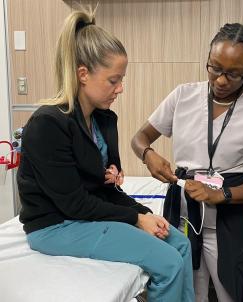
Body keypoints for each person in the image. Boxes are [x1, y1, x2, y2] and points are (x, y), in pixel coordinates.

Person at [17, 9, 195, 302]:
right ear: (83, 74)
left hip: (86, 216)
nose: (120, 88)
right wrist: (136, 219)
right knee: (168, 263)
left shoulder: (102, 121)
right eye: (114, 80)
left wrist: (146, 214)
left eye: (121, 79)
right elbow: (74, 204)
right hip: (55, 226)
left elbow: (107, 190)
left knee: (180, 244)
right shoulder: (48, 125)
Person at [131, 23, 243, 302]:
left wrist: (220, 194)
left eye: (234, 74)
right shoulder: (183, 96)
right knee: (188, 294)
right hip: (184, 220)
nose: (222, 80)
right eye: (215, 68)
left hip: (229, 223)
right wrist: (148, 154)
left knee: (232, 294)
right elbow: (140, 138)